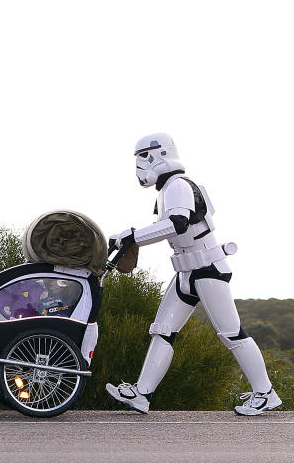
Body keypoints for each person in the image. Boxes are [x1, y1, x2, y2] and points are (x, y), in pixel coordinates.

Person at [104, 133, 281, 416]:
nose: (139, 165)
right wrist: (130, 238)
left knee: (231, 333)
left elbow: (177, 224)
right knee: (162, 330)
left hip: (207, 268)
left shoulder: (178, 186)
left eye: (143, 157)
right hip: (186, 272)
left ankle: (266, 394)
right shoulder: (167, 191)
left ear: (158, 154)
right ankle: (142, 394)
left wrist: (133, 236)